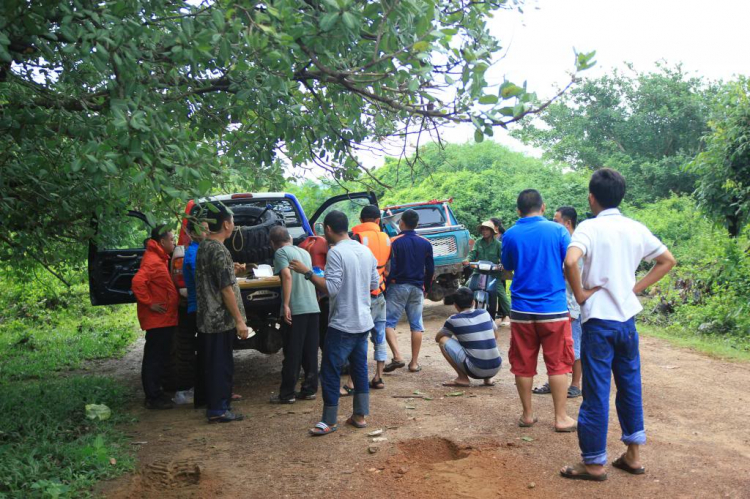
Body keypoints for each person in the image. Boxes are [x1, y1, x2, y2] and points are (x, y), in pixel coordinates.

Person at [560, 169, 676, 481]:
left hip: (599, 321)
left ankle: (594, 463)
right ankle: (633, 456)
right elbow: (667, 260)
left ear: (591, 197)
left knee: (596, 392)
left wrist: (582, 294)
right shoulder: (635, 228)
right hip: (627, 320)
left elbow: (570, 261)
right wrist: (634, 289)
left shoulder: (589, 228)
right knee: (629, 386)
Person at [288, 210, 379, 436]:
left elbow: (331, 288)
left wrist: (307, 272)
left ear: (327, 229)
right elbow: (374, 283)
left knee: (329, 371)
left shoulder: (336, 253)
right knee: (359, 369)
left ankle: (329, 420)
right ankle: (360, 415)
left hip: (343, 323)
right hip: (363, 320)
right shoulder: (365, 251)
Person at [501, 189, 577, 432]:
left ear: (518, 210)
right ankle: (561, 418)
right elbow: (570, 262)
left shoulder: (511, 235)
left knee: (523, 364)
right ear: (543, 207)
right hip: (553, 309)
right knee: (558, 365)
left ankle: (527, 415)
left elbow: (508, 267)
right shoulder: (558, 231)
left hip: (522, 310)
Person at [195, 203, 251, 424]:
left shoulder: (204, 246)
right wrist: (239, 320)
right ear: (226, 224)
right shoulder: (218, 250)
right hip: (219, 319)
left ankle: (214, 403)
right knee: (221, 364)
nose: (234, 225)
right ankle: (219, 409)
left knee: (211, 362)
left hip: (206, 318)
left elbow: (215, 277)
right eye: (233, 221)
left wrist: (232, 269)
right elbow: (226, 288)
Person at [340, 205, 391, 393]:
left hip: (363, 296)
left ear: (361, 220)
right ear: (378, 220)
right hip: (380, 293)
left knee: (358, 338)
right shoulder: (387, 238)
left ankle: (351, 383)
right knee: (379, 336)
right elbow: (388, 268)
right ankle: (379, 377)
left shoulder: (357, 238)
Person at [533, 206, 583, 398]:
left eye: (556, 220)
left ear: (567, 222)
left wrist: (573, 307)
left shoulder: (577, 245)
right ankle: (554, 381)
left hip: (572, 305)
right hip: (559, 304)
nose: (553, 223)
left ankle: (576, 384)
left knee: (574, 345)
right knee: (555, 347)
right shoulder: (561, 243)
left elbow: (574, 279)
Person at [269, 226, 321, 404]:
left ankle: (287, 394)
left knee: (292, 351)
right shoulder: (304, 252)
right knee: (310, 350)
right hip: (313, 307)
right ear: (290, 237)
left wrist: (285, 304)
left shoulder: (281, 252)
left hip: (297, 308)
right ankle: (309, 389)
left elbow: (287, 276)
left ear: (272, 243)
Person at [131, 224, 179, 410]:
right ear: (162, 241)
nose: (174, 243)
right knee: (154, 357)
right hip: (157, 319)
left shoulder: (158, 258)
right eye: (172, 239)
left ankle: (157, 393)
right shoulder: (153, 261)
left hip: (163, 318)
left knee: (159, 355)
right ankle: (153, 396)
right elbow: (137, 282)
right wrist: (149, 302)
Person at [383, 209, 435, 373]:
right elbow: (430, 269)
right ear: (417, 224)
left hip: (398, 285)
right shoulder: (425, 243)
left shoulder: (394, 241)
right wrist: (426, 287)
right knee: (416, 325)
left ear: (402, 223)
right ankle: (414, 363)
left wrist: (388, 282)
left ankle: (397, 356)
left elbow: (392, 266)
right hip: (417, 287)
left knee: (387, 323)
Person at [435, 286, 502, 387]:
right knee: (484, 339)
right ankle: (488, 379)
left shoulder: (453, 320)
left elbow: (438, 338)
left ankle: (462, 378)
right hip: (496, 367)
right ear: (473, 302)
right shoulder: (484, 313)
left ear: (455, 305)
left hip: (475, 370)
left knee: (443, 341)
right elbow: (495, 336)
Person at [183, 215, 207, 408]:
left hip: (202, 308)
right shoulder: (193, 254)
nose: (206, 232)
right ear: (191, 233)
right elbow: (203, 280)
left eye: (208, 228)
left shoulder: (201, 250)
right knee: (205, 354)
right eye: (201, 229)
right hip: (198, 309)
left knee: (207, 353)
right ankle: (202, 397)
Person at [464, 221, 503, 321]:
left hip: (493, 274)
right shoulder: (478, 242)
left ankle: (506, 315)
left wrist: (501, 265)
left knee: (501, 296)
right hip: (478, 272)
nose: (484, 231)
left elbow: (502, 258)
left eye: (487, 229)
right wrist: (467, 260)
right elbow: (472, 253)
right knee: (467, 288)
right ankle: (466, 313)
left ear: (491, 231)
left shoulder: (498, 244)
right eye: (483, 229)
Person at [489, 217, 511, 326]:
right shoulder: (489, 236)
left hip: (501, 267)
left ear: (496, 227)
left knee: (501, 289)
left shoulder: (504, 237)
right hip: (491, 267)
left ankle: (504, 315)